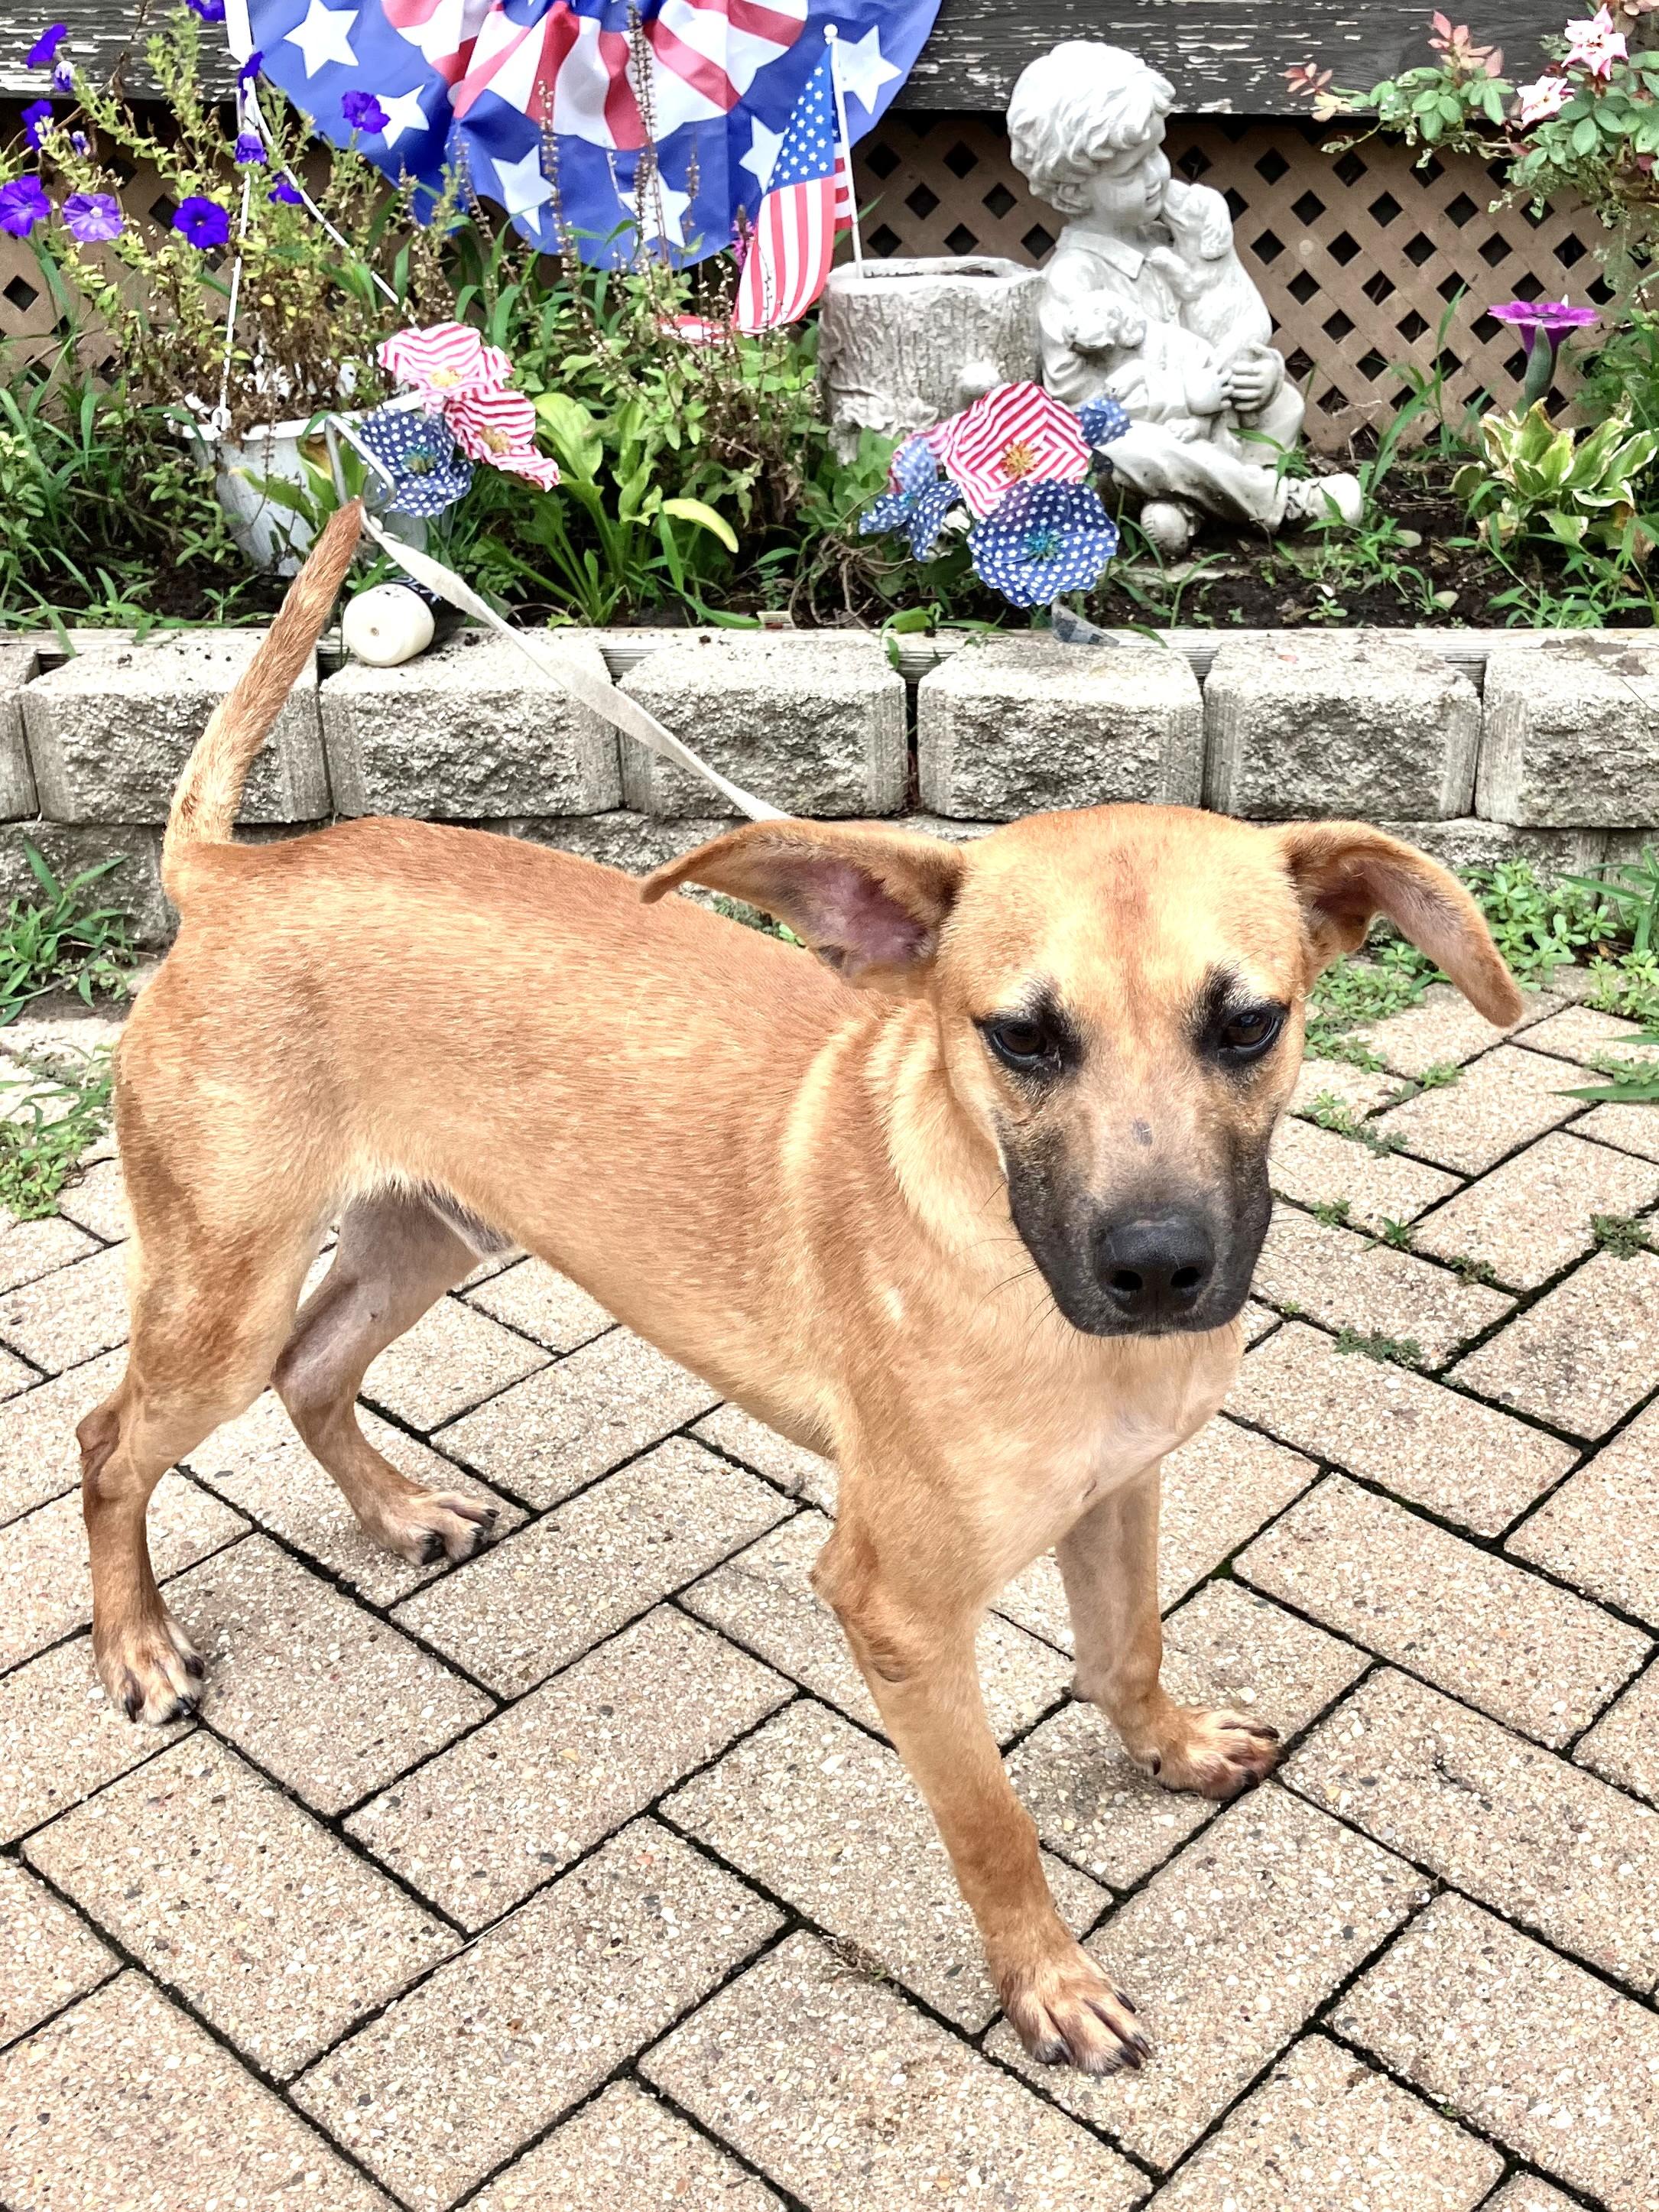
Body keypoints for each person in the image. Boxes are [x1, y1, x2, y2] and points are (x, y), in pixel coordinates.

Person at [1007, 42, 1360, 554]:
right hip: (1137, 440)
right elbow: (1081, 408)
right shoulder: (1071, 279)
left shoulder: (1166, 242)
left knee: (1281, 400)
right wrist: (1187, 397)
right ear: (1071, 194)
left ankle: (1191, 511)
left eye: (1156, 151)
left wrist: (1253, 373)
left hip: (1206, 429)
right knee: (1127, 449)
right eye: (1131, 169)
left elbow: (1217, 332)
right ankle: (1279, 502)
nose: (1157, 174)